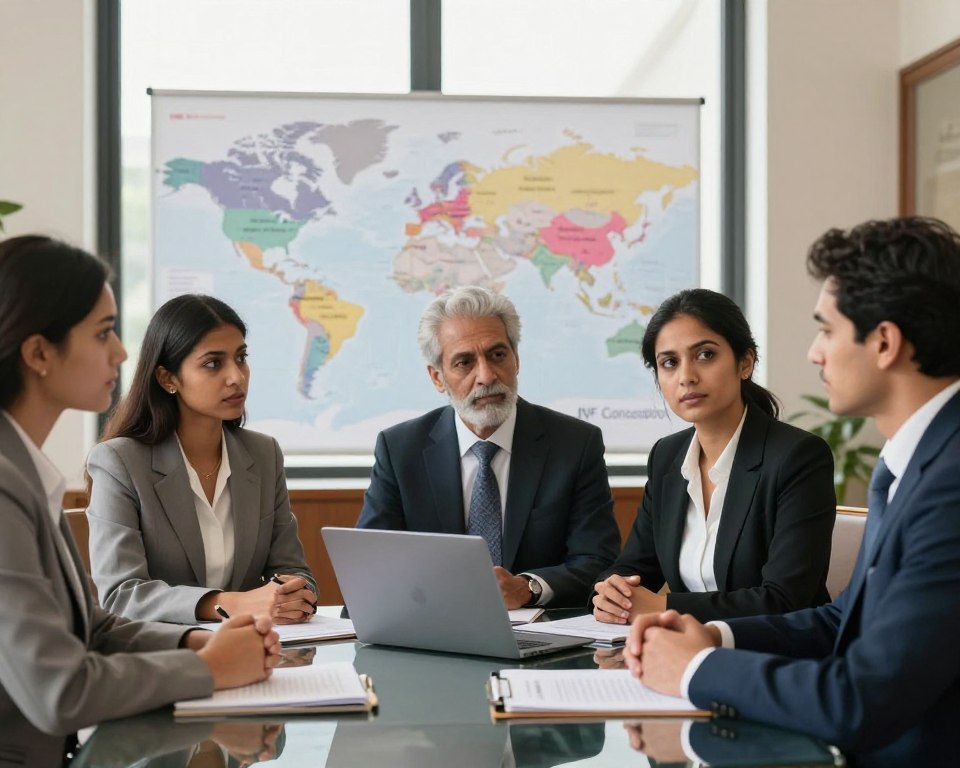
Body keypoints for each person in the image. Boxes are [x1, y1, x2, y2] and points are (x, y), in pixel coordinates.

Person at [624, 216, 960, 765]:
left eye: (826, 329)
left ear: (884, 342)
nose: (814, 353)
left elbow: (860, 699)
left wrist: (696, 669)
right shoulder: (919, 462)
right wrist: (714, 639)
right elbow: (841, 620)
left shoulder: (951, 485)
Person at [0, 235, 279, 765]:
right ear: (39, 352)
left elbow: (94, 628)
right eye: (104, 333)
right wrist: (213, 668)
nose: (123, 352)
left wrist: (203, 645)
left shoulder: (27, 472)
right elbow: (63, 690)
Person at [357, 285, 620, 608]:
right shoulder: (400, 450)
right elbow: (373, 565)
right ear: (437, 378)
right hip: (435, 628)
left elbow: (597, 561)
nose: (486, 375)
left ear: (516, 359)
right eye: (464, 362)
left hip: (543, 636)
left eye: (497, 355)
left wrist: (529, 588)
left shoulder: (575, 444)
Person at [592, 289, 836, 624]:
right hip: (685, 652)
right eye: (669, 363)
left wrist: (664, 607)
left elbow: (785, 599)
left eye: (705, 355)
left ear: (745, 362)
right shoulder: (667, 456)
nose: (686, 376)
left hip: (776, 655)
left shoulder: (797, 457)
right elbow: (635, 567)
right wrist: (613, 591)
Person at [86, 294, 317, 625]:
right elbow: (122, 595)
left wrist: (294, 594)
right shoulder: (119, 462)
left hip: (257, 650)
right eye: (213, 363)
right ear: (168, 379)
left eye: (241, 358)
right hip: (163, 658)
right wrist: (230, 604)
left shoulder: (263, 454)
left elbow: (292, 569)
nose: (236, 377)